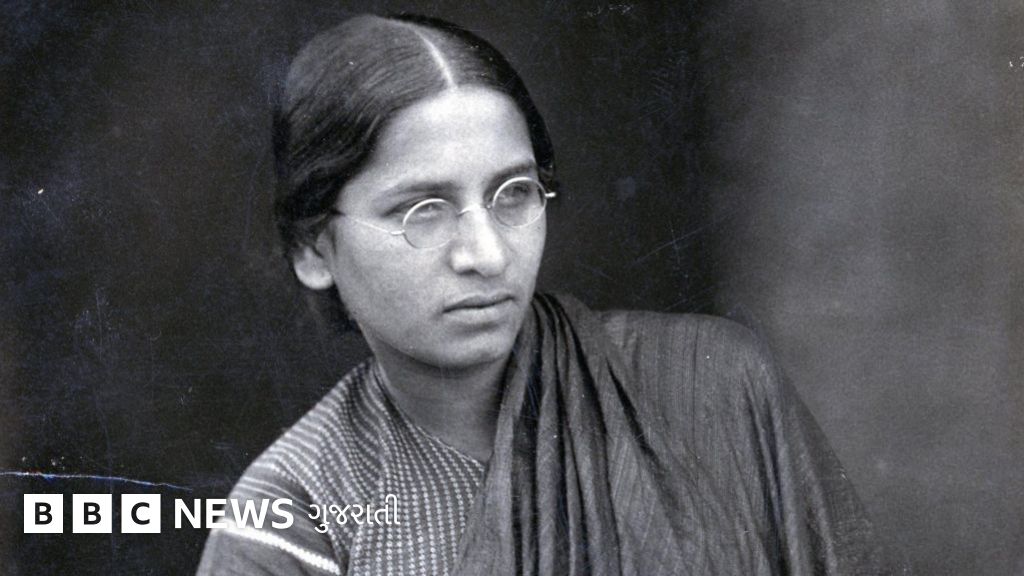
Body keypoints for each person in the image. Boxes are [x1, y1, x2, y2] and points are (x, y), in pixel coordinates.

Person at [198, 13, 900, 576]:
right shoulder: (295, 513)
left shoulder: (714, 387)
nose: (487, 254)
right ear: (313, 249)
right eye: (422, 211)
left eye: (514, 194)